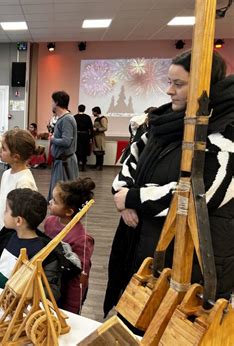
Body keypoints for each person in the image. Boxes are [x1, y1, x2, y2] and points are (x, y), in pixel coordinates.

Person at [104, 50, 234, 318]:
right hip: (142, 242)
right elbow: (131, 157)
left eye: (179, 84)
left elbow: (204, 192)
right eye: (169, 82)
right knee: (135, 312)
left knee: (173, 322)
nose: (168, 91)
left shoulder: (225, 130)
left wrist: (133, 199)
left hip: (192, 255)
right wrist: (122, 195)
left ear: (203, 86)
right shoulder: (162, 121)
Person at [0, 188, 62, 300]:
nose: (4, 213)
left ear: (18, 221)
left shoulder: (45, 254)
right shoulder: (6, 237)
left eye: (6, 210)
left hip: (21, 309)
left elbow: (52, 291)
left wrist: (27, 294)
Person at [45, 178, 95, 314]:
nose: (50, 202)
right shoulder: (49, 222)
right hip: (52, 284)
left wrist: (71, 309)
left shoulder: (82, 240)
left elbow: (79, 280)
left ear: (69, 212)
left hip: (67, 292)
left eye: (54, 201)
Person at [0, 129, 37, 240]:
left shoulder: (24, 182)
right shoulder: (6, 174)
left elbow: (24, 220)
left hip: (12, 237)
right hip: (0, 230)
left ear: (16, 157)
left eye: (3, 149)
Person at [48, 91, 78, 200]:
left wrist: (53, 139)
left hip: (65, 163)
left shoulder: (67, 119)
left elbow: (66, 141)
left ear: (56, 102)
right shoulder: (64, 118)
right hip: (61, 162)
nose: (51, 104)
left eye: (52, 101)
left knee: (63, 196)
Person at [74, 104, 93, 172]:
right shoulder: (87, 117)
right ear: (84, 109)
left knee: (77, 150)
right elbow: (91, 128)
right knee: (84, 151)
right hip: (85, 135)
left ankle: (77, 165)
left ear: (78, 109)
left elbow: (73, 127)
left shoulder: (75, 117)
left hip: (77, 135)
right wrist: (91, 137)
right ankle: (84, 166)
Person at [92, 106, 108, 171]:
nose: (92, 113)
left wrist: (96, 129)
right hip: (95, 137)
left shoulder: (103, 118)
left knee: (100, 152)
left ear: (96, 112)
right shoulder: (96, 119)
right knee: (96, 151)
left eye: (93, 112)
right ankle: (97, 164)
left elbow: (105, 128)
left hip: (100, 137)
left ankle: (100, 166)